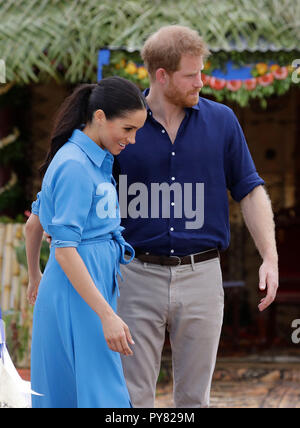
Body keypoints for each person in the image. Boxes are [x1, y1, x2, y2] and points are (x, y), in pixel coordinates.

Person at [114, 25, 279, 408]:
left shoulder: (222, 122)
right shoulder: (122, 127)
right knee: (130, 399)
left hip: (202, 276)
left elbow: (250, 190)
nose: (201, 82)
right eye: (191, 75)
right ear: (162, 75)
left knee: (194, 401)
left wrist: (269, 256)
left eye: (201, 72)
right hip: (134, 276)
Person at [25, 76, 147, 408]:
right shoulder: (75, 165)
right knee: (101, 396)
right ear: (99, 117)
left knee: (77, 392)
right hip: (79, 295)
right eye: (127, 129)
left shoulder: (89, 159)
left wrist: (36, 275)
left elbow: (33, 224)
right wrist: (106, 315)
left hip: (81, 290)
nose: (132, 139)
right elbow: (64, 249)